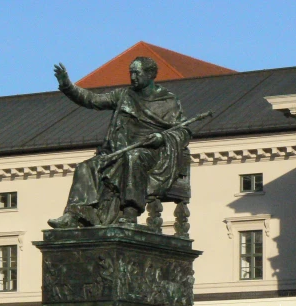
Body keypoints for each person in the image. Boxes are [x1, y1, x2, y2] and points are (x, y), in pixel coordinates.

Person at [48, 57, 191, 228]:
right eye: (131, 73)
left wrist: (161, 138)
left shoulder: (168, 101)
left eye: (136, 73)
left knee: (133, 157)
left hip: (153, 153)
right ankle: (75, 214)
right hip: (120, 150)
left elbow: (183, 131)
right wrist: (67, 86)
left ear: (151, 74)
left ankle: (130, 211)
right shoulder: (123, 95)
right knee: (85, 167)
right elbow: (93, 100)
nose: (132, 77)